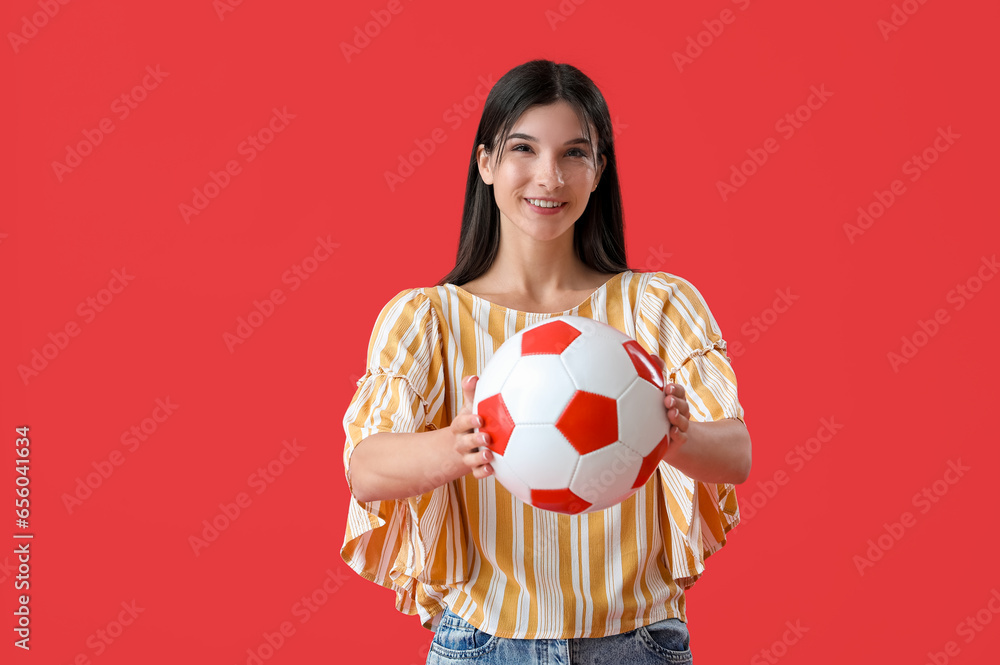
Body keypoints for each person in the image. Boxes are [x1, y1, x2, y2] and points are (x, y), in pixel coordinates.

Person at [341, 59, 752, 664]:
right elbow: (366, 469)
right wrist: (457, 447)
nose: (548, 176)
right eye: (523, 149)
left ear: (598, 172)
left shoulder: (657, 306)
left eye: (574, 154)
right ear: (485, 164)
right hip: (482, 646)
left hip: (634, 644)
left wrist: (673, 436)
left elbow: (737, 454)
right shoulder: (428, 317)